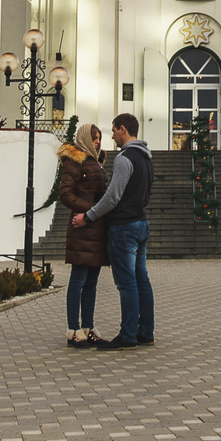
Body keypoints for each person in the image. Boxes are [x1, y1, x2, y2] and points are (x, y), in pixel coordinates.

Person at [72, 112, 154, 349]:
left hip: (124, 228)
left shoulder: (124, 158)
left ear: (123, 130)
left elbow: (113, 196)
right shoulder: (146, 158)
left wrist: (88, 216)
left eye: (114, 130)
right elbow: (146, 193)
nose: (112, 135)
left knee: (127, 283)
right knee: (142, 281)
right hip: (141, 223)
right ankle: (145, 331)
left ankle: (128, 335)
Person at [58, 122, 109, 347]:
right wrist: (89, 210)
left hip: (96, 228)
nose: (97, 141)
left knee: (91, 282)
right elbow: (65, 193)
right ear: (84, 138)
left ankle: (87, 327)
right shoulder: (75, 161)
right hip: (82, 227)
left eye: (99, 137)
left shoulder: (96, 162)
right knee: (78, 280)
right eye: (94, 137)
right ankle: (73, 329)